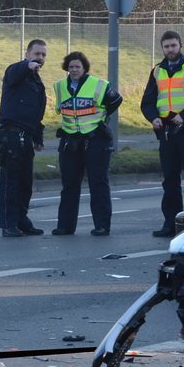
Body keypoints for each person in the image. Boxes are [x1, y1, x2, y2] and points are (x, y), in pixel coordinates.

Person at [140, 30, 184, 238]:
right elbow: (147, 101)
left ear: (180, 46)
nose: (170, 50)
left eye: (173, 45)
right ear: (162, 49)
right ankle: (170, 224)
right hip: (167, 133)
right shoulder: (157, 71)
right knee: (169, 181)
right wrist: (152, 117)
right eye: (166, 46)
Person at [51, 51, 123, 236]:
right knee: (69, 185)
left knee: (98, 183)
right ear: (67, 68)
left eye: (78, 67)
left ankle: (101, 225)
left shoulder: (97, 84)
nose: (74, 70)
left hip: (95, 140)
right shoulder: (60, 87)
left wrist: (103, 118)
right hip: (70, 140)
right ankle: (65, 226)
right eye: (71, 67)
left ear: (84, 68)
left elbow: (116, 100)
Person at [0, 39, 48, 237]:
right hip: (10, 135)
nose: (40, 58)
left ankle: (21, 220)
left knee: (25, 182)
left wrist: (38, 137)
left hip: (25, 137)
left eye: (43, 55)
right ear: (27, 54)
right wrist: (27, 65)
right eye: (36, 54)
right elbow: (14, 72)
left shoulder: (37, 83)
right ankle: (8, 224)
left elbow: (36, 113)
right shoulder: (16, 72)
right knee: (11, 181)